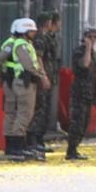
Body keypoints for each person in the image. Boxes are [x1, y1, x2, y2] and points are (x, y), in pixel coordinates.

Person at [0, 18, 51, 160]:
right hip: (24, 83)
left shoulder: (13, 43)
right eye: (31, 30)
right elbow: (29, 65)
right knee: (24, 113)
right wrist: (41, 77)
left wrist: (0, 75)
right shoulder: (21, 45)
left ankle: (11, 147)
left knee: (11, 113)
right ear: (23, 31)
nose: (34, 33)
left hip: (12, 82)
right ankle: (18, 147)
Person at [26, 12, 60, 154]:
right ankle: (32, 141)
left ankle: (39, 140)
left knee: (44, 110)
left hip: (48, 77)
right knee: (39, 110)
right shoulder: (40, 38)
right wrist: (43, 76)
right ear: (48, 23)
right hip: (42, 79)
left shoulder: (47, 37)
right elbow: (39, 58)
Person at [66, 28, 96, 160]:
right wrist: (88, 48)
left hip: (88, 94)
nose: (92, 40)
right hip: (79, 93)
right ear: (84, 38)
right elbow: (85, 64)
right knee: (77, 123)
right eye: (89, 37)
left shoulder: (92, 53)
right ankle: (71, 150)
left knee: (84, 124)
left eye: (94, 37)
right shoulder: (81, 51)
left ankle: (74, 149)